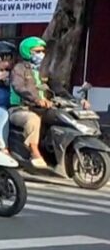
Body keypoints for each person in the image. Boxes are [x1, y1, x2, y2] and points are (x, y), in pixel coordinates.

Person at [8, 36, 81, 169]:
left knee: (63, 117)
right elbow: (19, 87)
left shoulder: (43, 70)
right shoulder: (19, 69)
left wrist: (76, 101)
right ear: (27, 52)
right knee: (33, 119)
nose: (41, 54)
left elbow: (57, 88)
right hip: (21, 109)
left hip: (43, 108)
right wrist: (37, 99)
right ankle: (34, 152)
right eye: (37, 51)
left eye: (42, 51)